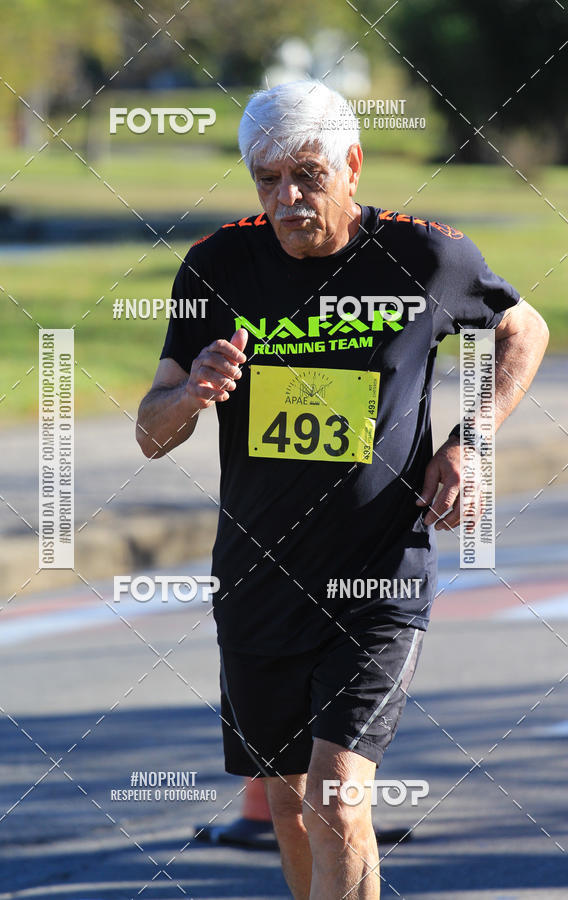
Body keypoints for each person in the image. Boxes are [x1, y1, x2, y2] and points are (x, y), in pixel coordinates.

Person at [136, 81, 548, 899]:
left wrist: (471, 439)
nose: (286, 199)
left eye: (307, 175)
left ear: (353, 165)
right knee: (288, 805)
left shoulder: (426, 257)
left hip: (378, 580)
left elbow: (522, 329)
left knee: (335, 799)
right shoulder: (217, 266)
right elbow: (152, 432)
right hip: (257, 585)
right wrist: (192, 395)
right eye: (266, 180)